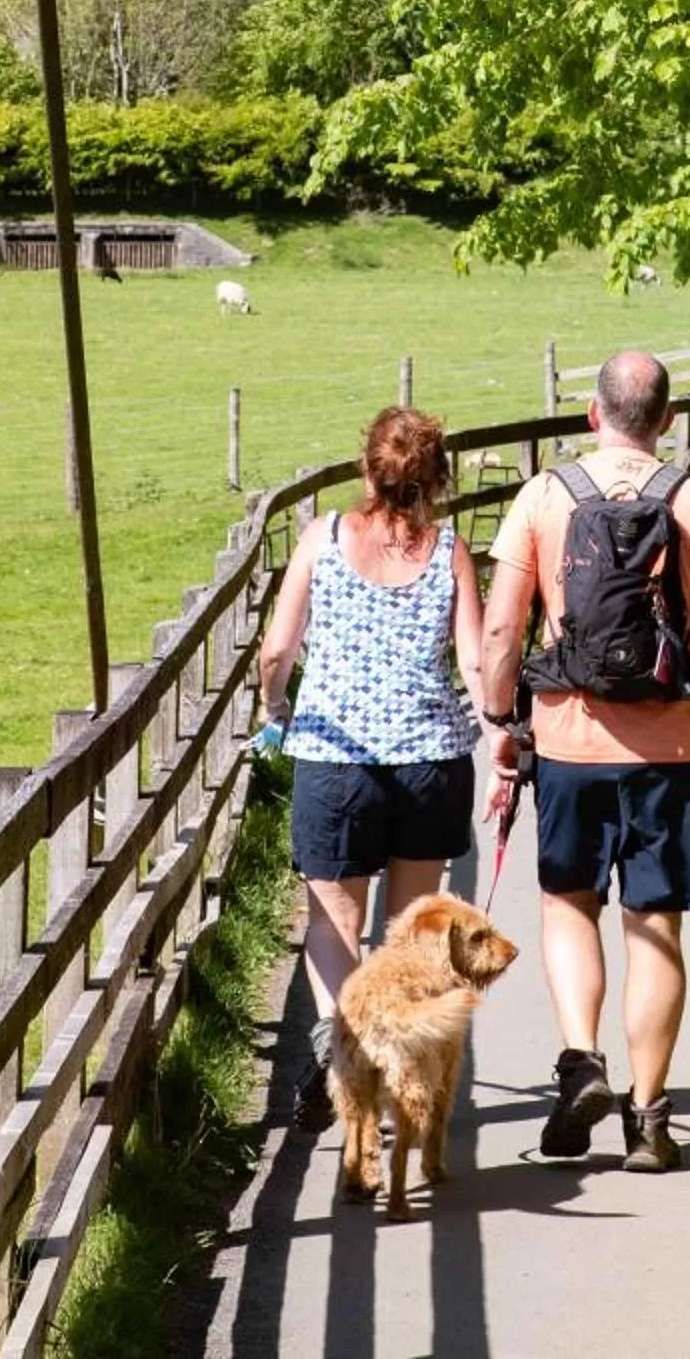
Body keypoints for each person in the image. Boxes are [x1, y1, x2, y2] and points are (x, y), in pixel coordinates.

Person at [477, 349, 690, 1174]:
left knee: (569, 906)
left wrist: (503, 720)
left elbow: (502, 630)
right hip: (671, 747)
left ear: (591, 415)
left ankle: (581, 1060)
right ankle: (648, 1117)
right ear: (667, 422)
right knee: (656, 927)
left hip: (569, 739)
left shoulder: (543, 497)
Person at [258, 405, 486, 1130]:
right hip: (427, 762)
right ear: (437, 477)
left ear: (367, 469)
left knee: (334, 924)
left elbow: (275, 650)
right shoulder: (448, 550)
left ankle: (335, 1039)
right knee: (408, 932)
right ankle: (396, 1060)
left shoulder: (323, 538)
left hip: (335, 763)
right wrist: (502, 732)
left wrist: (274, 707)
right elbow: (476, 660)